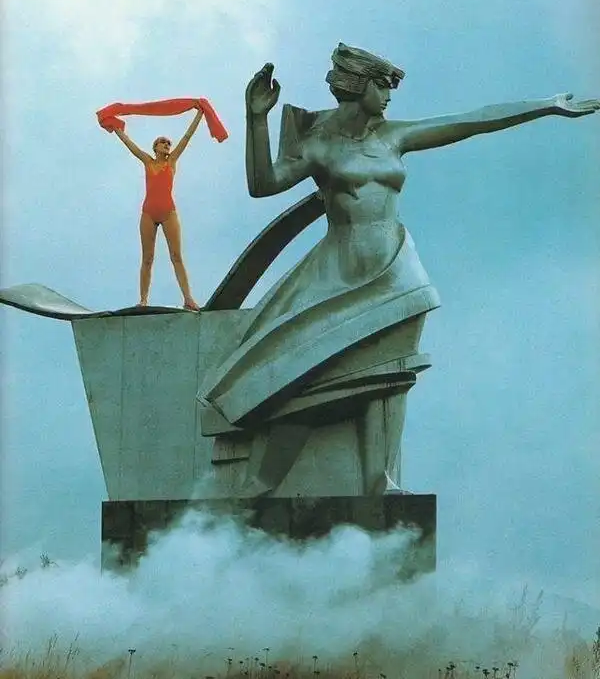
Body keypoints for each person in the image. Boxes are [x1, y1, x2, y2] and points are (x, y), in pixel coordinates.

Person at [199, 43, 598, 495]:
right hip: (338, 274)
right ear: (359, 86)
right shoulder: (320, 145)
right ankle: (263, 482)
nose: (389, 96)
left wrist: (546, 105)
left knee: (392, 373)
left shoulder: (394, 136)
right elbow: (263, 184)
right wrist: (256, 119)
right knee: (310, 377)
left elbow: (471, 121)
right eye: (383, 85)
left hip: (392, 268)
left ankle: (378, 479)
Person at [113, 105, 205, 309]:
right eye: (162, 142)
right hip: (148, 213)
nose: (167, 144)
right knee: (147, 258)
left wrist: (200, 113)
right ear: (155, 147)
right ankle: (143, 300)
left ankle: (188, 299)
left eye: (168, 143)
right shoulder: (148, 161)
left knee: (176, 256)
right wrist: (116, 129)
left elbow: (187, 136)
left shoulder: (172, 162)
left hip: (168, 212)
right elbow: (130, 145)